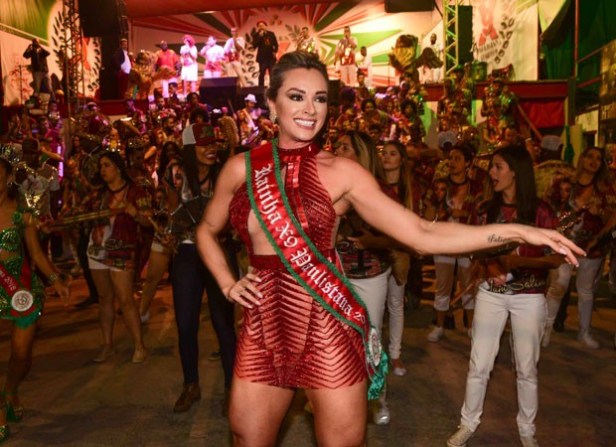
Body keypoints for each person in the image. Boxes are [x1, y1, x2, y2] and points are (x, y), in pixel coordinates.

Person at [196, 51, 582, 447]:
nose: (310, 109)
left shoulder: (343, 173)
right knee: (247, 437)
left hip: (327, 324)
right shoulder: (241, 169)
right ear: (272, 102)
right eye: (297, 96)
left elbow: (422, 233)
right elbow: (207, 230)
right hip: (265, 324)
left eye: (320, 98)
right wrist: (227, 283)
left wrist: (518, 231)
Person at [447, 146, 566, 447]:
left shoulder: (541, 211)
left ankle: (527, 429)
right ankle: (468, 422)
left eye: (498, 166)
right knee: (479, 364)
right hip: (491, 293)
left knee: (526, 368)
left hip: (530, 296)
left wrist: (518, 261)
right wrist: (487, 264)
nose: (491, 172)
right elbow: (473, 247)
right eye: (492, 166)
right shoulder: (485, 209)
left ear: (516, 171)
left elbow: (556, 258)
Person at [0, 143, 69, 443]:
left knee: (21, 354)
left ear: (8, 178)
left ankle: (11, 390)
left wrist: (55, 279)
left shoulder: (21, 212)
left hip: (20, 290)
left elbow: (36, 253)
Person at [168, 123, 236, 412]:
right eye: (204, 144)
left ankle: (232, 388)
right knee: (186, 325)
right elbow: (171, 212)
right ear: (188, 148)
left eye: (213, 143)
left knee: (224, 325)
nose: (211, 149)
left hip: (220, 250)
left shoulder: (225, 173)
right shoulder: (176, 174)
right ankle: (191, 385)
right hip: (187, 252)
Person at [543, 147, 616, 349]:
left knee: (586, 291)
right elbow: (548, 208)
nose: (594, 161)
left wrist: (599, 212)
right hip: (563, 244)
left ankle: (584, 332)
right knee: (558, 287)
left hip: (592, 247)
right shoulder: (565, 182)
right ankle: (545, 330)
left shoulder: (605, 189)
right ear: (582, 158)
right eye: (590, 156)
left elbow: (612, 217)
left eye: (598, 158)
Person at [86, 151, 150, 364]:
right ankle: (107, 345)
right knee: (104, 298)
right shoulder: (98, 194)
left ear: (118, 168)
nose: (102, 170)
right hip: (96, 249)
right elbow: (79, 212)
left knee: (125, 299)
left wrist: (135, 214)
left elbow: (149, 221)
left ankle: (139, 345)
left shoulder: (135, 192)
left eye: (107, 165)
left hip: (122, 250)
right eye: (101, 166)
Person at [427, 143, 482, 342]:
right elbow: (428, 213)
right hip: (444, 243)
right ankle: (439, 326)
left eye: (457, 158)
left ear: (467, 163)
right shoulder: (439, 185)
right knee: (442, 286)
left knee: (468, 286)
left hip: (468, 243)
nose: (452, 162)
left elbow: (481, 214)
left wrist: (464, 213)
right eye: (450, 158)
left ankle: (471, 327)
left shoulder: (476, 187)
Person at [251, 20, 278, 88]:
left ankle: (273, 88)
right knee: (262, 73)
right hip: (262, 58)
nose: (261, 27)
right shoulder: (256, 35)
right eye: (259, 26)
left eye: (262, 25)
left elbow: (276, 44)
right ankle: (260, 88)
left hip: (271, 57)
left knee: (272, 73)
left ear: (265, 26)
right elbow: (254, 45)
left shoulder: (271, 34)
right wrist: (260, 36)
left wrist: (275, 51)